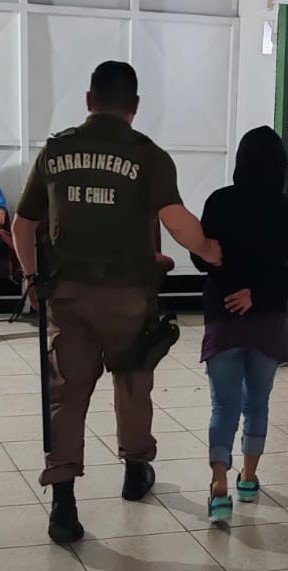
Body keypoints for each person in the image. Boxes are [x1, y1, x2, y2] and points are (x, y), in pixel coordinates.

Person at [11, 61, 222, 544]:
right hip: (129, 299)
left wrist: (32, 279)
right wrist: (211, 251)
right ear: (136, 106)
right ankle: (134, 471)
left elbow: (23, 227)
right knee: (132, 384)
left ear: (89, 100)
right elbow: (177, 221)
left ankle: (63, 504)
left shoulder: (56, 151)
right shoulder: (148, 156)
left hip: (68, 297)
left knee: (66, 396)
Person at [191, 126, 288, 522]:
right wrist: (259, 295)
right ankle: (248, 478)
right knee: (256, 403)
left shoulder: (219, 202)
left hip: (223, 319)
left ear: (240, 162)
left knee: (223, 405)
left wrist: (228, 272)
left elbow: (200, 258)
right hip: (268, 321)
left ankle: (218, 487)